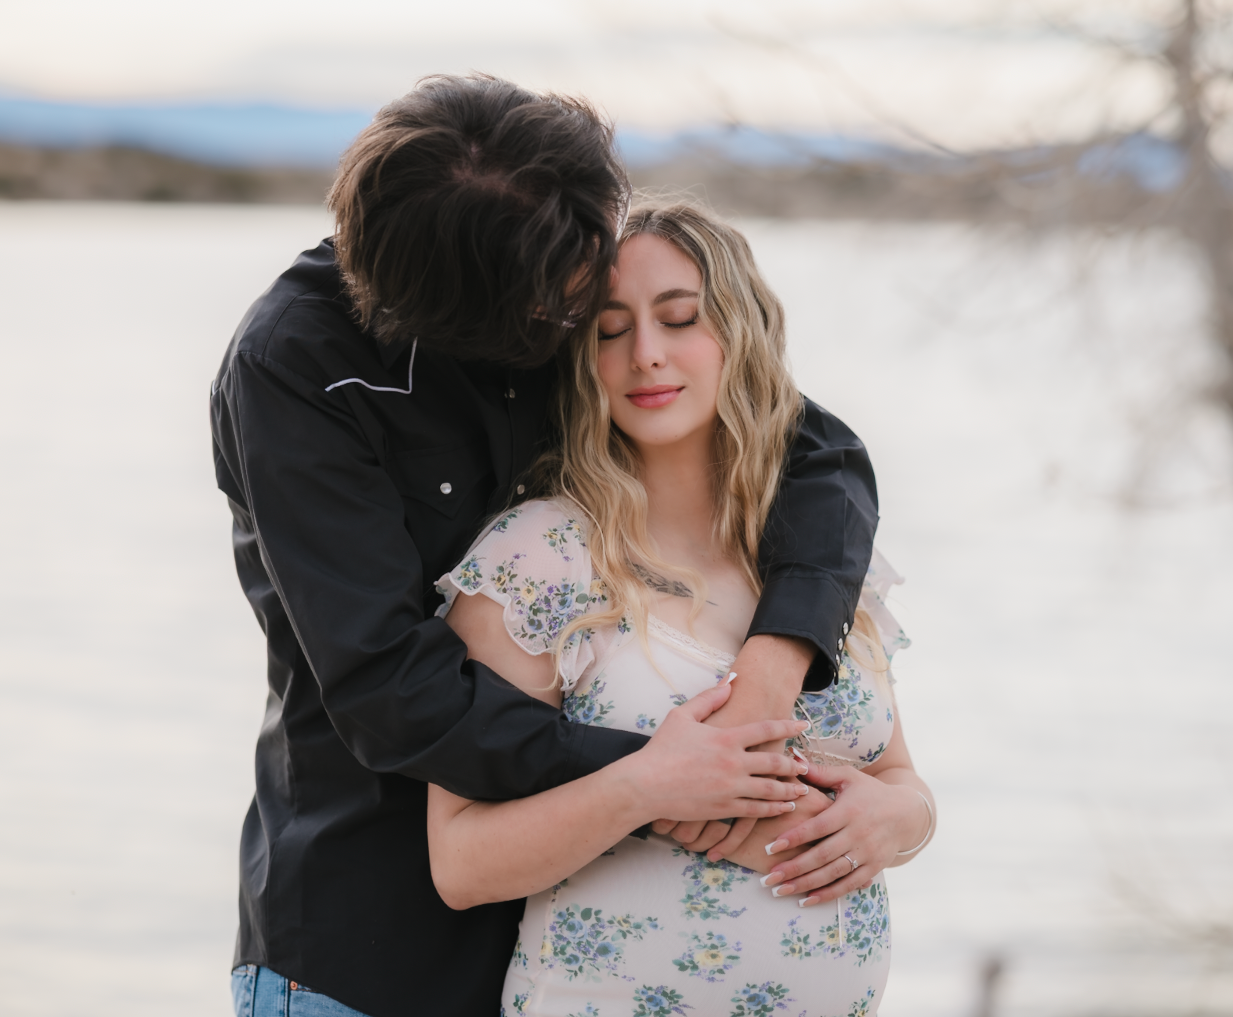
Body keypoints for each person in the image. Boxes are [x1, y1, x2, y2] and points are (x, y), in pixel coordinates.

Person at [210, 75, 883, 1017]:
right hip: (370, 952)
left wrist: (775, 667)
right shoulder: (296, 370)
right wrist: (671, 781)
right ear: (493, 322)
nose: (606, 314)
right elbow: (396, 694)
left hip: (562, 961)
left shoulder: (562, 252)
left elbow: (816, 451)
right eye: (577, 314)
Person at [428, 199, 935, 1016]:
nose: (646, 356)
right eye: (610, 329)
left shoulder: (827, 559)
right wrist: (645, 788)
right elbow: (460, 860)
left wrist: (899, 821)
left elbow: (900, 777)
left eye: (679, 319)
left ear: (739, 334)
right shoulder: (537, 558)